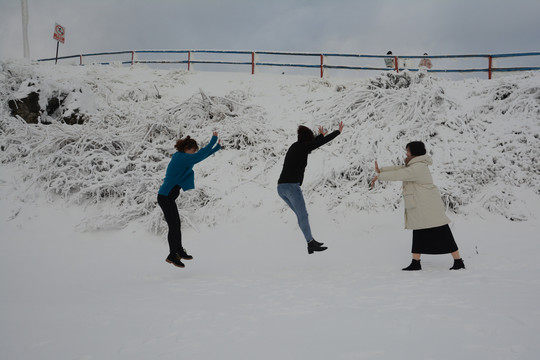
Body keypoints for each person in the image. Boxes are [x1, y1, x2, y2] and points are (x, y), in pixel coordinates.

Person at [370, 141, 465, 271]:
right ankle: (416, 262)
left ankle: (458, 261)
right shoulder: (415, 165)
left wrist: (380, 176)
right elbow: (401, 169)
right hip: (422, 206)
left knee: (443, 232)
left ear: (414, 152)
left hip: (428, 206)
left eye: (408, 151)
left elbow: (400, 174)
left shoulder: (418, 167)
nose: (406, 153)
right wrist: (381, 170)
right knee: (419, 232)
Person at [277, 121, 344, 254]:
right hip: (291, 187)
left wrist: (320, 135)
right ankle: (310, 243)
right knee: (303, 215)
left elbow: (312, 145)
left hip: (281, 188)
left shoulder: (295, 146)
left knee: (300, 216)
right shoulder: (302, 147)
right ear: (307, 139)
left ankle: (310, 241)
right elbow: (316, 144)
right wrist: (337, 132)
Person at [157, 132, 221, 268]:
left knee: (176, 225)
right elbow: (198, 156)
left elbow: (200, 157)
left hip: (168, 198)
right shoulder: (181, 157)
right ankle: (172, 255)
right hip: (165, 197)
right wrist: (212, 141)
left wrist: (215, 148)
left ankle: (178, 251)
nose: (193, 153)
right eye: (193, 151)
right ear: (187, 149)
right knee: (173, 226)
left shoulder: (184, 157)